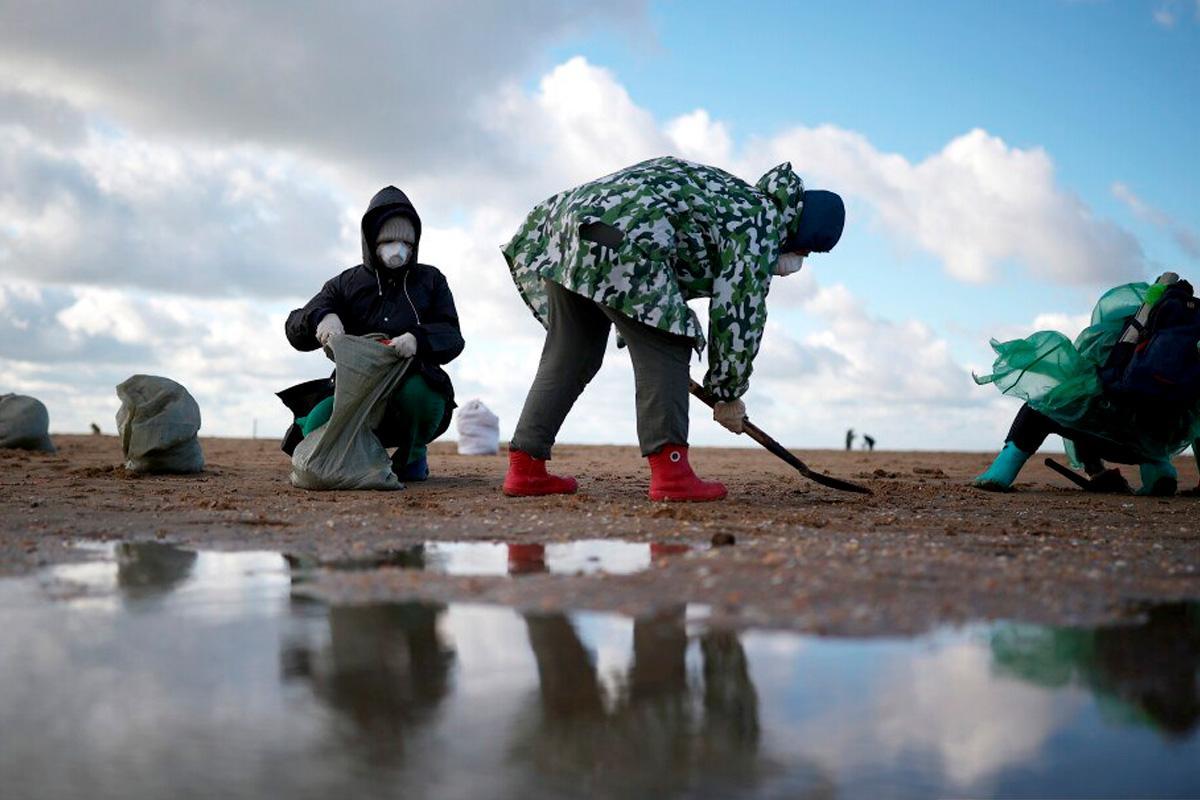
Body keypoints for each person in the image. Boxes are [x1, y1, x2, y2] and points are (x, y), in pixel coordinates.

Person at [500, 156, 844, 501]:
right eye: (807, 251)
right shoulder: (760, 223)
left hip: (567, 226)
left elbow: (668, 262)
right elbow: (738, 312)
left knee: (572, 352)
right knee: (669, 339)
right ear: (802, 233)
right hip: (620, 233)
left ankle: (525, 467)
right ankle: (672, 473)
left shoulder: (733, 197)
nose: (800, 260)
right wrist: (727, 392)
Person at [280, 186, 464, 481]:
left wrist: (419, 339)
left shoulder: (430, 280)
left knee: (422, 395)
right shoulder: (345, 284)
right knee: (317, 423)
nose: (398, 248)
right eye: (389, 240)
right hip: (354, 390)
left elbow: (453, 335)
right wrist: (322, 317)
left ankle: (413, 455)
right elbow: (293, 328)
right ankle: (358, 450)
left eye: (406, 241)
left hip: (410, 386)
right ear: (371, 240)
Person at [974, 274, 1200, 495]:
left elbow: (1080, 399)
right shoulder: (1187, 356)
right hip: (1154, 444)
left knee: (1050, 406)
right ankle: (1159, 472)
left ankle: (1002, 470)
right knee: (1175, 418)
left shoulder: (1110, 336)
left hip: (1111, 435)